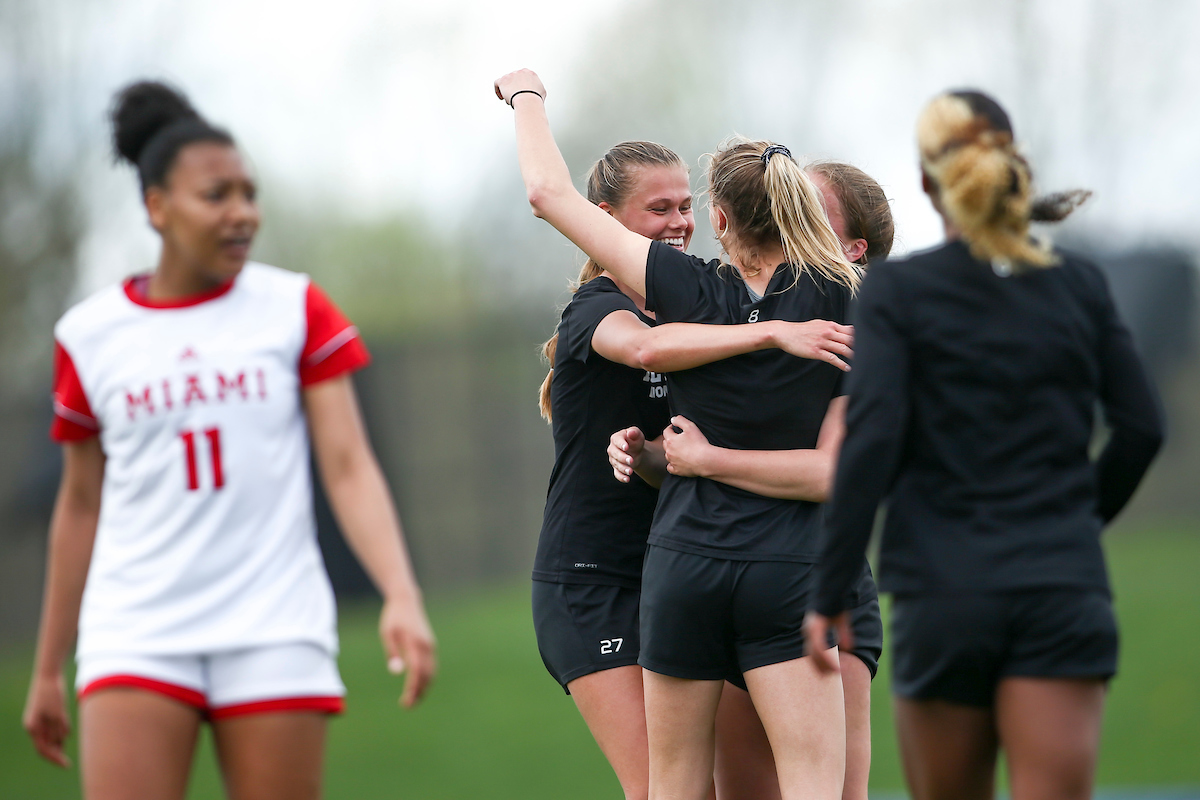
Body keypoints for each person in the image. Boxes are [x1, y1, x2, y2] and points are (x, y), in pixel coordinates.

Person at [22, 81, 436, 800]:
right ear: (156, 207)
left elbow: (347, 465)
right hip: (137, 630)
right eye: (217, 195)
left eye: (250, 193)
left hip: (275, 624)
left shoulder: (293, 306)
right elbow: (80, 505)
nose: (243, 212)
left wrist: (400, 593)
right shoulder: (87, 335)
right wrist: (49, 666)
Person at [496, 67, 857, 800]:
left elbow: (693, 429)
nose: (680, 222)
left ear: (720, 218)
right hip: (601, 577)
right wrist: (525, 95)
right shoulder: (610, 307)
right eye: (658, 208)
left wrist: (665, 457)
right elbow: (651, 349)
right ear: (606, 216)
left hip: (682, 564)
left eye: (687, 206)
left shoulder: (694, 290)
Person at [805, 90, 1164, 800]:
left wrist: (829, 588)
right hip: (1060, 590)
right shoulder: (1078, 285)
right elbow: (1142, 429)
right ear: (1011, 164)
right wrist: (1074, 521)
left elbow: (871, 442)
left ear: (926, 181)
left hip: (944, 593)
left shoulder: (898, 295)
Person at [609, 159, 894, 800]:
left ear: (852, 251)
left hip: (822, 586)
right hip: (724, 575)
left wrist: (712, 462)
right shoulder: (740, 305)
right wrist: (651, 452)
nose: (788, 219)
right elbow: (680, 438)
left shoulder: (855, 322)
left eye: (808, 213)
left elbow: (832, 474)